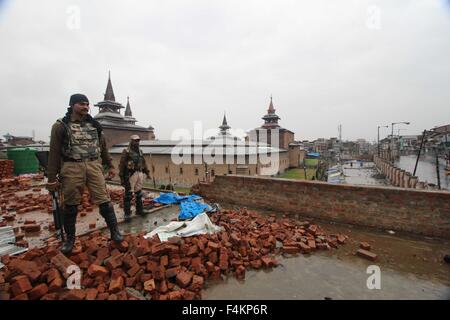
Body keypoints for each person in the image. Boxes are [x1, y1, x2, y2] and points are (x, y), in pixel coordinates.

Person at [46, 93, 123, 254]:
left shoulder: (95, 125)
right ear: (72, 105)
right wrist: (51, 178)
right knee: (71, 204)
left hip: (94, 165)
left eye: (87, 104)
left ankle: (115, 231)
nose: (86, 107)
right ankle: (70, 239)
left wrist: (110, 165)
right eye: (82, 104)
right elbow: (53, 153)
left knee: (104, 200)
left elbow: (103, 148)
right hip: (72, 167)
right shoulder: (61, 126)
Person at [119, 135, 150, 221]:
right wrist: (121, 177)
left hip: (139, 173)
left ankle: (139, 210)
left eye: (138, 141)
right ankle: (127, 213)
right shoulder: (126, 151)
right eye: (135, 141)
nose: (137, 142)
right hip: (130, 174)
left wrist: (147, 172)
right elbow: (121, 165)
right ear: (131, 141)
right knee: (128, 194)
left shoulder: (140, 151)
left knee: (139, 193)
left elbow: (144, 163)